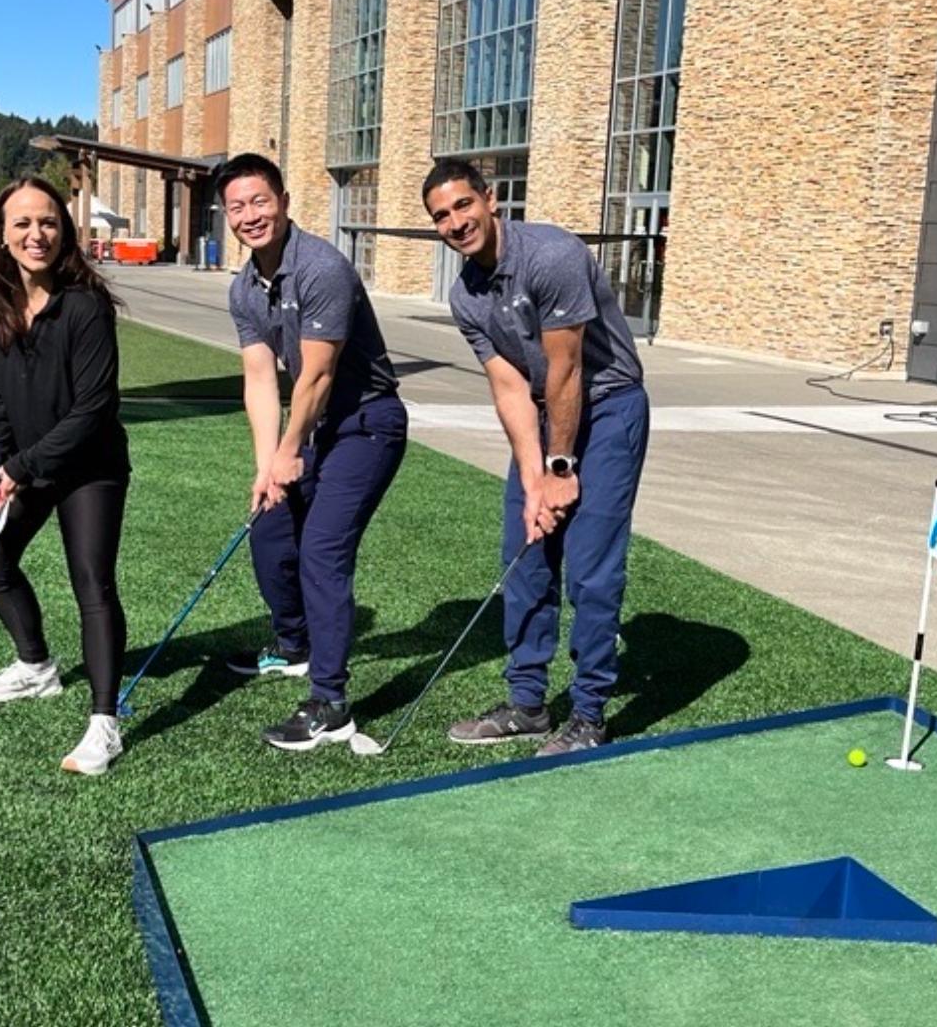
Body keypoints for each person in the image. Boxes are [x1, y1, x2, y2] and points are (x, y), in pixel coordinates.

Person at [421, 157, 649, 756]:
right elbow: (510, 387)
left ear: (490, 200)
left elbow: (567, 371)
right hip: (545, 414)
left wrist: (560, 470)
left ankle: (590, 715)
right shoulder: (465, 295)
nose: (455, 222)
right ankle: (527, 705)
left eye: (463, 206)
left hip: (608, 406)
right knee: (525, 558)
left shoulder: (552, 256)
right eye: (442, 216)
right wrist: (532, 475)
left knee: (591, 568)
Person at [217, 153, 408, 751]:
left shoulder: (322, 267)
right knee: (269, 528)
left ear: (284, 201)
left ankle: (331, 702)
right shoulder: (245, 288)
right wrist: (267, 464)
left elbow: (318, 377)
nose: (251, 215)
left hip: (365, 422)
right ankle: (294, 645)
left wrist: (291, 448)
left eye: (260, 201)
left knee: (324, 550)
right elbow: (258, 379)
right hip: (316, 425)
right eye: (237, 207)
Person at [0, 177, 131, 776]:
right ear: (2, 235)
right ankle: (36, 667)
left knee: (92, 584)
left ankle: (105, 721)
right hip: (25, 464)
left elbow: (93, 409)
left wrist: (18, 467)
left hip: (91, 466)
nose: (37, 234)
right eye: (23, 224)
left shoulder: (85, 304)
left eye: (48, 222)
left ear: (66, 231)